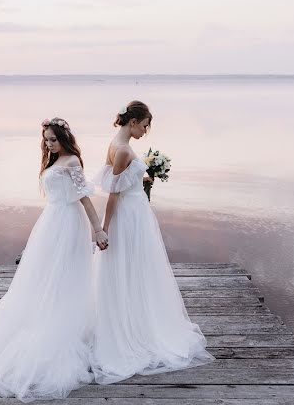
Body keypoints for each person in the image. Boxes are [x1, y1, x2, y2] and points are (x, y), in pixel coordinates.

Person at [0, 117, 108, 402]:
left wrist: (98, 230)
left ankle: (63, 322)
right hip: (51, 221)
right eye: (46, 140)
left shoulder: (72, 162)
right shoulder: (52, 161)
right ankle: (40, 315)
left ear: (65, 139)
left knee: (63, 275)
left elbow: (85, 198)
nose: (49, 144)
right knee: (41, 275)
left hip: (68, 223)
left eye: (53, 139)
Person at [90, 100, 214, 384]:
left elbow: (123, 182)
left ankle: (134, 315)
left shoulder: (117, 144)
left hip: (135, 212)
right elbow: (113, 194)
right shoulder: (122, 149)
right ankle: (135, 327)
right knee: (134, 268)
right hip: (129, 217)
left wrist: (142, 176)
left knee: (135, 269)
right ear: (133, 122)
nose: (146, 131)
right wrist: (104, 228)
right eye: (145, 125)